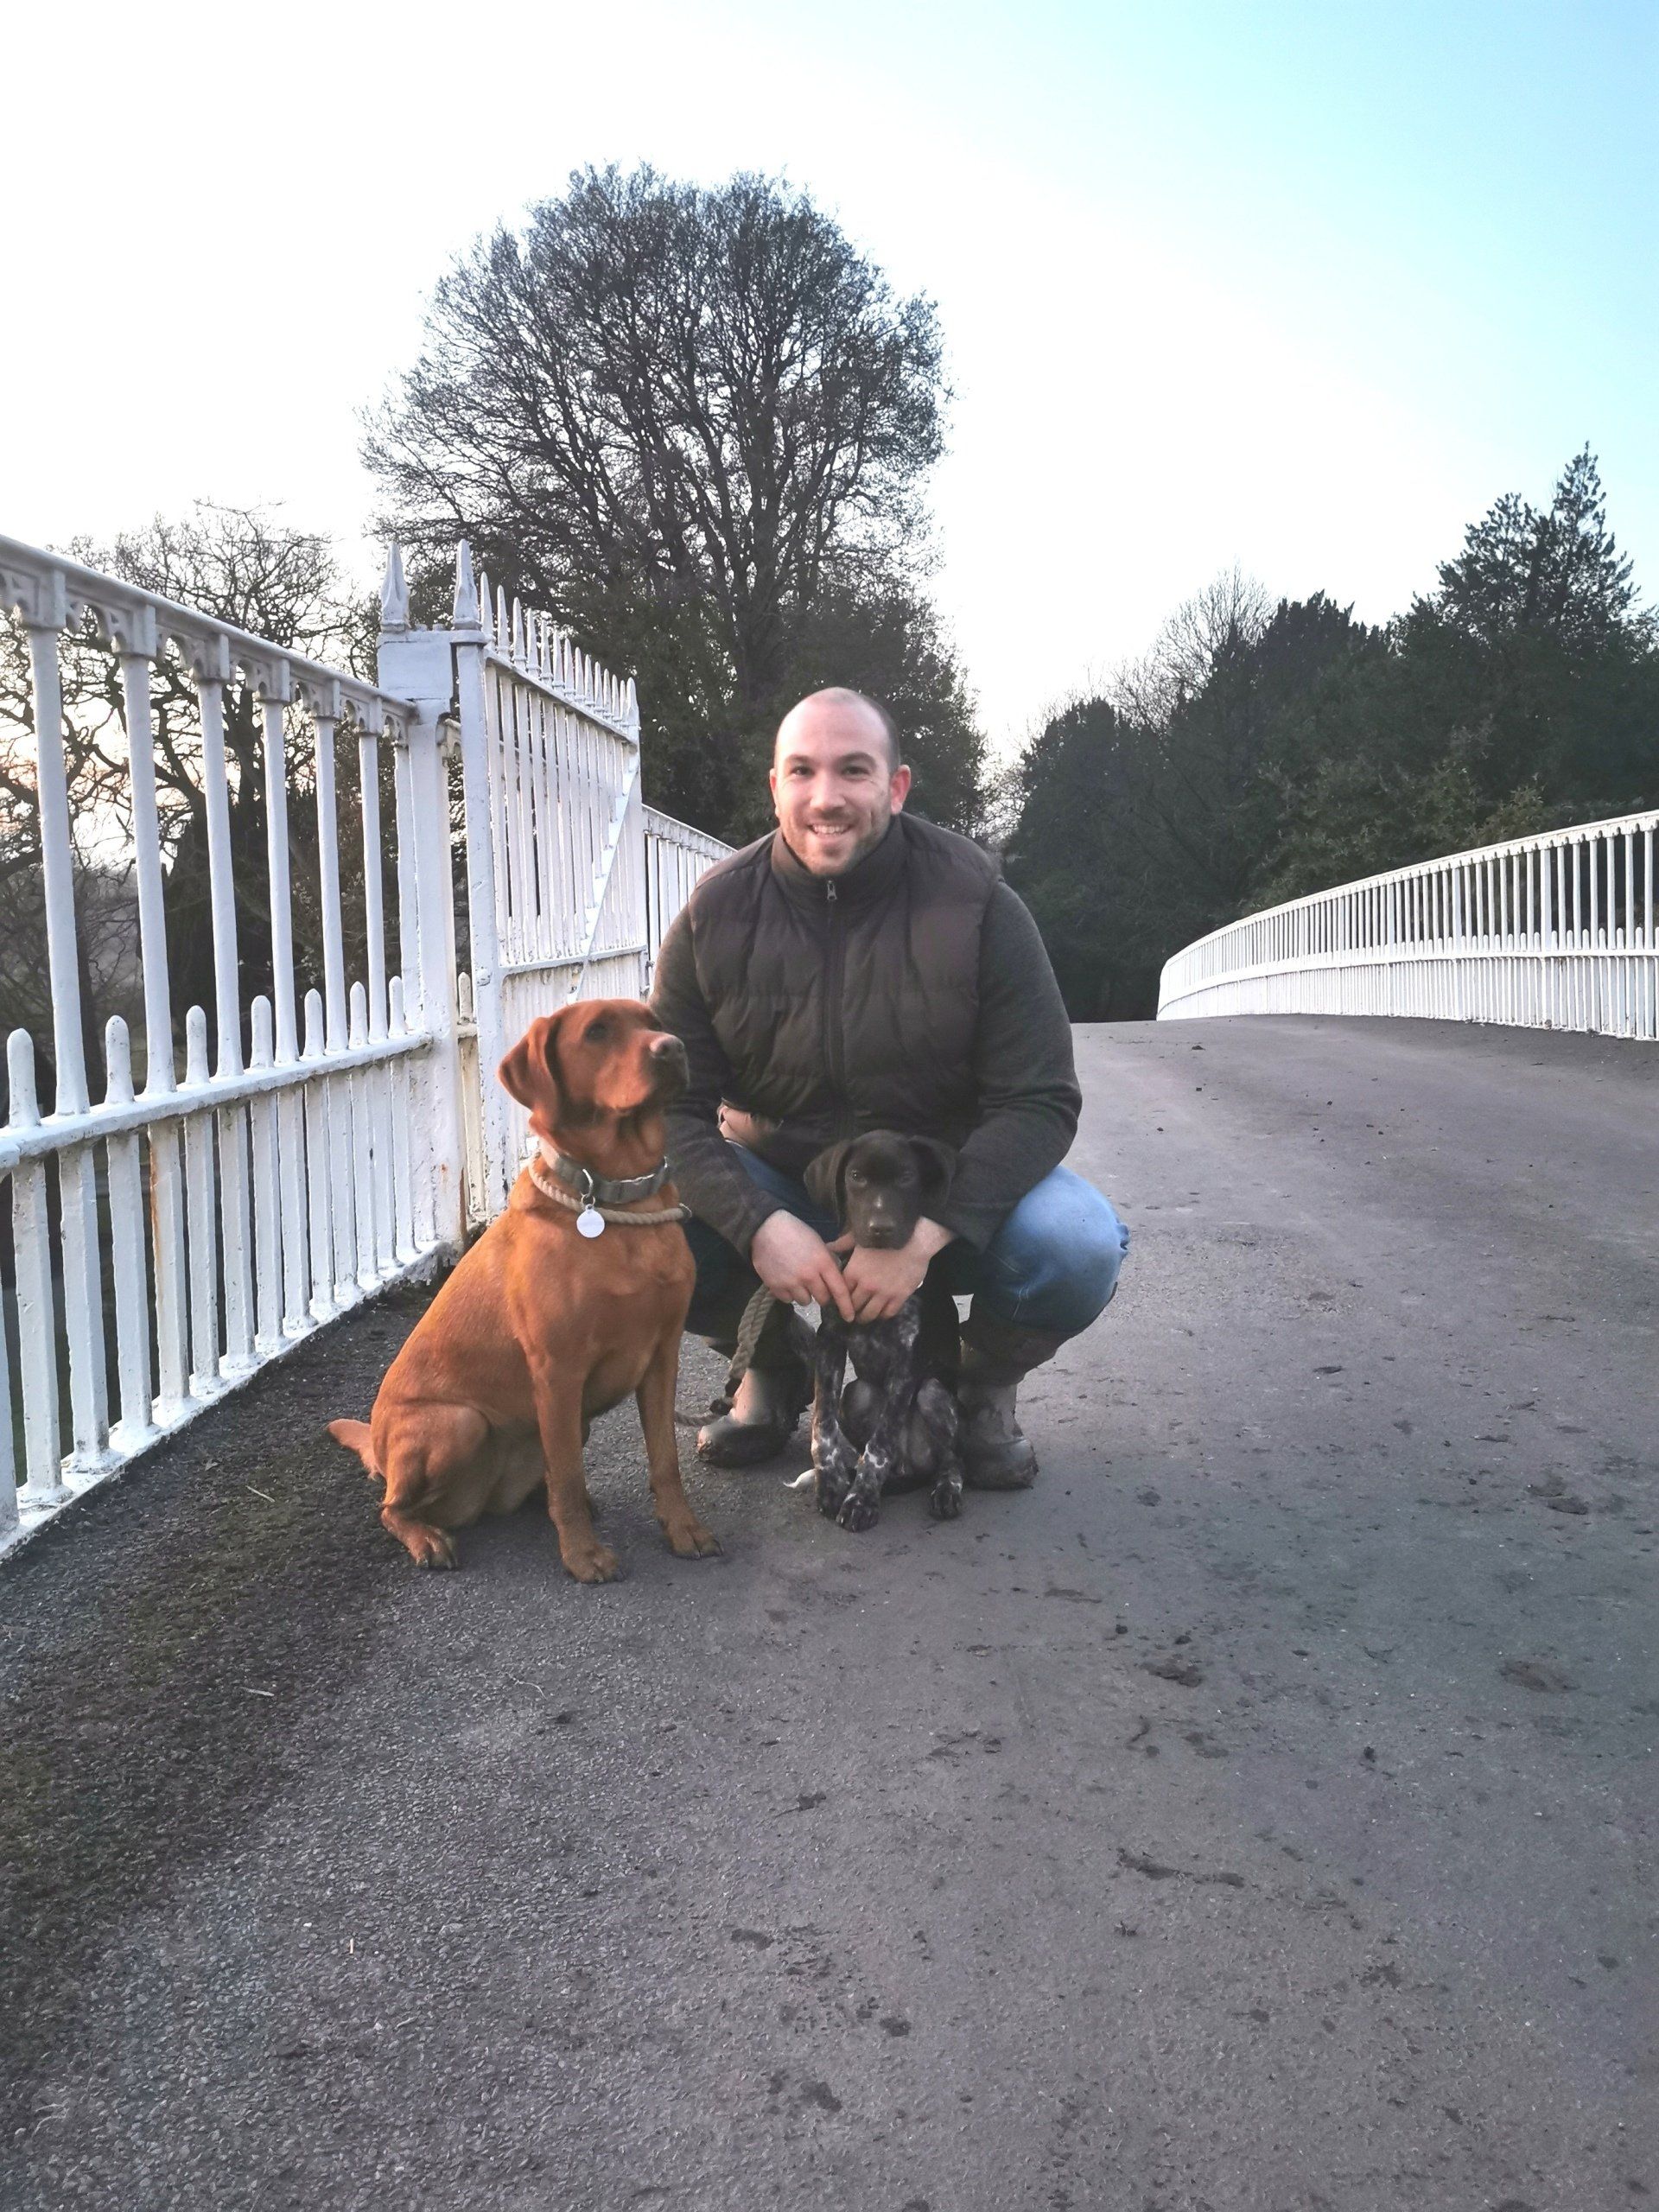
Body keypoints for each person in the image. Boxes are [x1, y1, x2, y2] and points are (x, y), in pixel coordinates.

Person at [647, 688, 1128, 1486]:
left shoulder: (977, 903)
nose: (825, 797)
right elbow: (672, 1109)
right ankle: (772, 1362)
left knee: (1075, 1246)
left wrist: (929, 1230)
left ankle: (974, 1384)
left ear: (896, 787)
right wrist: (757, 1224)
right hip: (785, 1177)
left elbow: (1040, 1099)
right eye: (802, 771)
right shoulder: (715, 914)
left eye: (853, 770)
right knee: (650, 1233)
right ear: (774, 787)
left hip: (938, 1179)